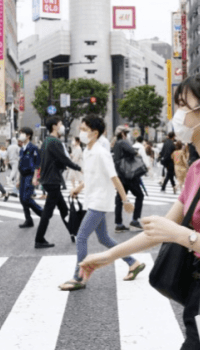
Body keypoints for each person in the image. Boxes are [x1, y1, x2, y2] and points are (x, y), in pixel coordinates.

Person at [79, 72, 200, 349]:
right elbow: (160, 230)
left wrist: (182, 236)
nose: (177, 115)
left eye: (182, 105)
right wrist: (109, 256)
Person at [58, 114, 145, 291]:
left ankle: (79, 277)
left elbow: (114, 177)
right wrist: (79, 188)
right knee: (104, 238)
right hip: (92, 199)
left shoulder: (101, 152)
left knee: (81, 237)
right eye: (80, 129)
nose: (80, 133)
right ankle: (133, 262)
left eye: (84, 130)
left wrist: (126, 200)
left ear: (95, 133)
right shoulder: (88, 151)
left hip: (100, 201)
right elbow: (91, 176)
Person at [34, 116, 81, 249]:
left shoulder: (46, 141)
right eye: (60, 124)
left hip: (48, 179)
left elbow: (52, 160)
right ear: (54, 126)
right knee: (47, 212)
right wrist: (79, 168)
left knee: (63, 208)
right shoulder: (54, 142)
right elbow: (64, 159)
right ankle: (39, 239)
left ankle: (74, 232)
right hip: (52, 180)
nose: (62, 126)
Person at [112, 129, 146, 233]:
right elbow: (132, 151)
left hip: (120, 176)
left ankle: (119, 224)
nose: (126, 136)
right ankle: (135, 221)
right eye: (125, 134)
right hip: (129, 176)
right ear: (122, 134)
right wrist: (134, 152)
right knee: (140, 195)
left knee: (119, 199)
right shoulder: (122, 142)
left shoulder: (115, 145)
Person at [17, 127, 43, 228]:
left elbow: (37, 164)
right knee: (22, 199)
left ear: (28, 136)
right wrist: (19, 180)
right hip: (23, 176)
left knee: (26, 198)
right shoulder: (22, 148)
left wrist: (35, 177)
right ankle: (28, 220)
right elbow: (20, 165)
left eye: (22, 133)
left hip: (30, 175)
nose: (20, 136)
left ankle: (42, 213)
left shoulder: (33, 148)